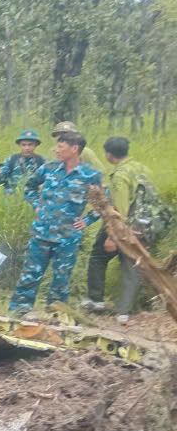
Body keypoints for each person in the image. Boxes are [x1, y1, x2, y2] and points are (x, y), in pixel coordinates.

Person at [9, 133, 107, 316]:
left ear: (74, 148)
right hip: (41, 233)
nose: (57, 150)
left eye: (61, 147)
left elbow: (104, 202)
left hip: (68, 237)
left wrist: (87, 220)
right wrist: (37, 205)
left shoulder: (90, 175)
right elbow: (30, 187)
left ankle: (55, 315)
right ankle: (18, 312)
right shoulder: (49, 168)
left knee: (61, 280)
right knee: (30, 275)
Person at [83, 136, 151, 323]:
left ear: (109, 154)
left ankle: (96, 300)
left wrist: (113, 237)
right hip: (142, 224)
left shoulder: (120, 175)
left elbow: (120, 209)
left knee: (98, 256)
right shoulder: (140, 168)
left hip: (122, 225)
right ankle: (124, 311)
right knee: (131, 266)